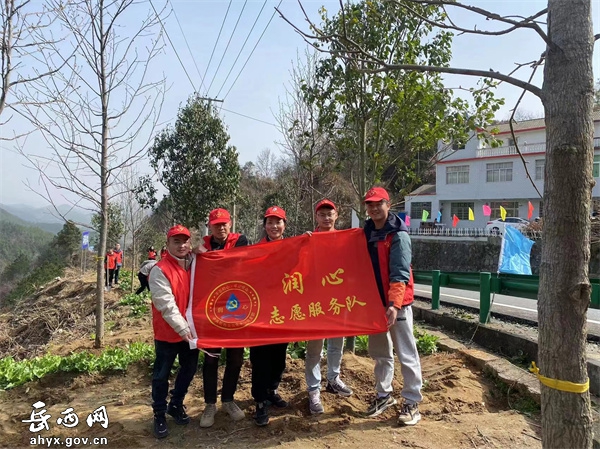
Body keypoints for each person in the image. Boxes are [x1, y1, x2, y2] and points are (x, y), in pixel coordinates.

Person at [363, 186, 423, 426]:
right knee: (380, 353)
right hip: (373, 303)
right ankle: (383, 394)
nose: (374, 208)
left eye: (378, 204)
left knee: (406, 353)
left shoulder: (399, 234)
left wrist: (394, 304)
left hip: (396, 304)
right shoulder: (365, 232)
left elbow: (400, 273)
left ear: (388, 205)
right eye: (370, 204)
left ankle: (411, 401)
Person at [199, 208, 250, 428]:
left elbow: (244, 263)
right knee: (211, 358)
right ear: (210, 226)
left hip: (237, 308)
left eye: (224, 224)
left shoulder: (241, 241)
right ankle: (210, 403)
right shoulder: (202, 247)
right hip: (211, 312)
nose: (220, 228)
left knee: (236, 357)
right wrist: (198, 254)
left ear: (230, 224)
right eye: (216, 224)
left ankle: (228, 399)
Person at [148, 225, 199, 439]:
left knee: (188, 370)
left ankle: (176, 403)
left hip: (191, 333)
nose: (181, 245)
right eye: (176, 242)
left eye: (185, 241)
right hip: (168, 334)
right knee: (161, 375)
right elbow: (166, 304)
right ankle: (159, 413)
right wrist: (183, 328)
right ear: (167, 245)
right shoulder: (159, 270)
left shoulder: (194, 265)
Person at [304, 199, 353, 415]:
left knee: (337, 342)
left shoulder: (344, 239)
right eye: (321, 214)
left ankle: (333, 378)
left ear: (336, 215)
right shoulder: (309, 240)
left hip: (337, 300)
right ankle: (313, 390)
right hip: (316, 301)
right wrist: (302, 245)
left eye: (329, 214)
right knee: (314, 347)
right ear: (316, 217)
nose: (326, 217)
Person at [250, 206, 290, 426]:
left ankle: (271, 390)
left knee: (279, 359)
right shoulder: (254, 250)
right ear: (264, 225)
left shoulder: (291, 247)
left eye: (278, 222)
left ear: (284, 225)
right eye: (270, 222)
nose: (274, 226)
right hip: (260, 314)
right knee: (260, 359)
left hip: (283, 313)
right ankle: (259, 402)